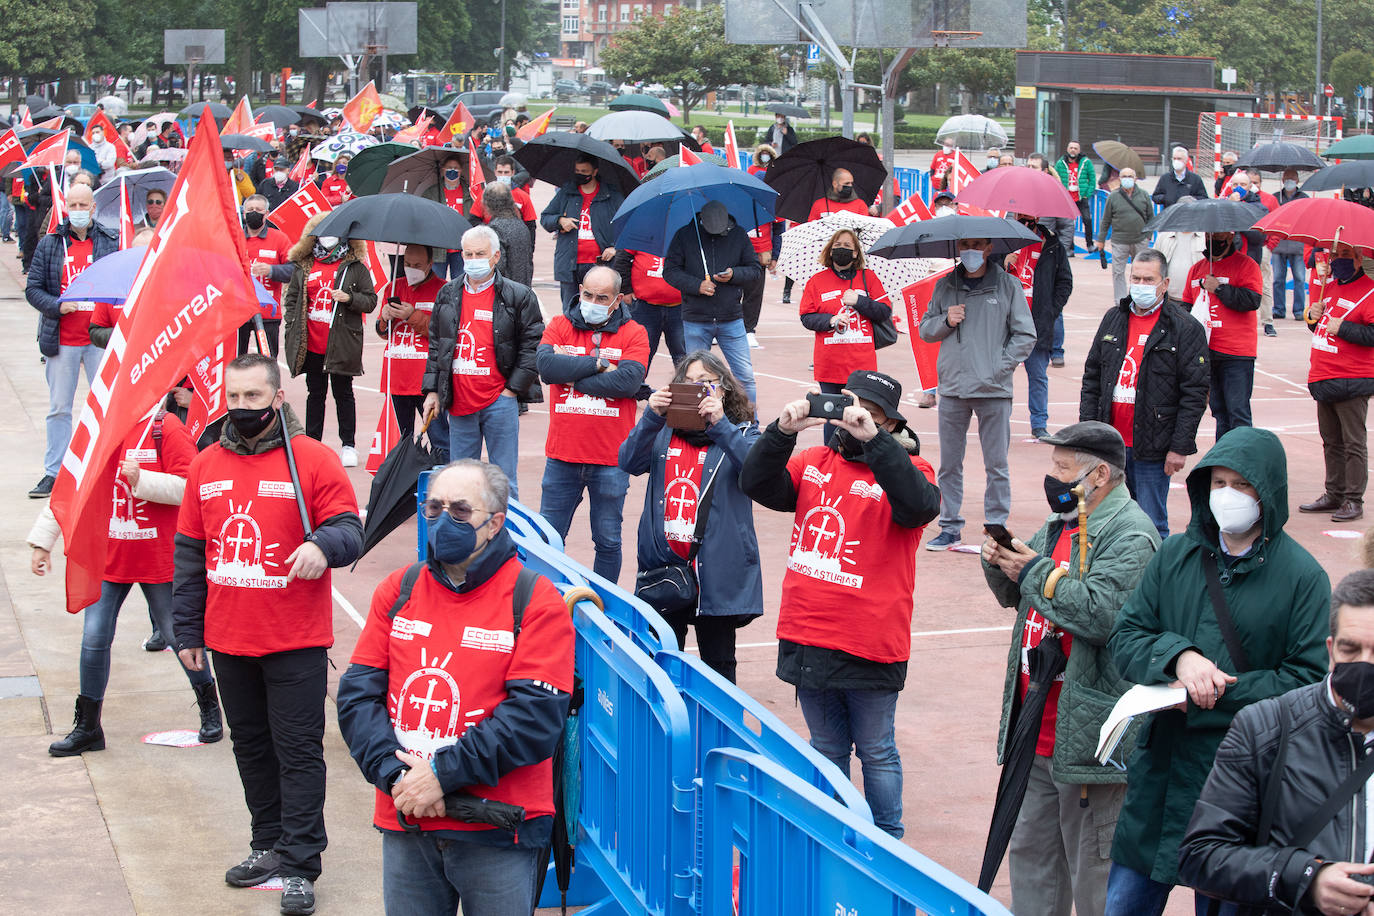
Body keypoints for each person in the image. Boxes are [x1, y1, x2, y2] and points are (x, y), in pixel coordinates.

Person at [1102, 427, 1332, 916]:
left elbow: (1307, 680)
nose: (1227, 495)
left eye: (1242, 485)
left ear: (1268, 492)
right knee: (1125, 903)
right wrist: (1179, 657)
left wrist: (1216, 691)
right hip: (1159, 775)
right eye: (1219, 482)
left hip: (1243, 782)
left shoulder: (1303, 577)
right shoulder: (1175, 554)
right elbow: (1127, 637)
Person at [336, 459, 574, 916]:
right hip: (408, 818)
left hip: (496, 830)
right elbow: (358, 696)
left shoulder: (535, 601)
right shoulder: (399, 589)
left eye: (460, 511)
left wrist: (441, 776)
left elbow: (533, 720)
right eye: (434, 509)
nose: (443, 521)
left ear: (495, 523)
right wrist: (397, 777)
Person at [173, 354, 363, 916]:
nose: (242, 408)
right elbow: (189, 553)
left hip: (295, 641)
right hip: (228, 638)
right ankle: (267, 845)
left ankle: (301, 866)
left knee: (299, 753)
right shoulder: (205, 464)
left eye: (254, 398)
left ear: (277, 399)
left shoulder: (312, 459)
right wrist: (187, 628)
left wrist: (321, 546)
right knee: (251, 747)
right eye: (234, 398)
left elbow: (350, 530)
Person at [739, 369, 942, 838]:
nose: (854, 423)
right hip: (808, 633)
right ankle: (831, 837)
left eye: (871, 417)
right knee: (826, 747)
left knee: (876, 749)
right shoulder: (813, 460)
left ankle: (888, 841)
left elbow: (917, 505)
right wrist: (780, 432)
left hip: (871, 638)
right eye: (851, 411)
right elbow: (757, 484)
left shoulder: (914, 471)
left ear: (893, 426)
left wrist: (876, 444)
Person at [981, 422, 1161, 916]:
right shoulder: (1066, 520)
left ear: (1099, 474)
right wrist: (1000, 561)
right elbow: (1020, 595)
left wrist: (1032, 570)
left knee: (1094, 878)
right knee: (1033, 866)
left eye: (1062, 468)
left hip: (1088, 743)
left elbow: (1101, 616)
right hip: (1036, 729)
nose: (1052, 478)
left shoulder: (1132, 534)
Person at [1178, 569, 1374, 916]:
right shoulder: (1265, 728)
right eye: (1350, 648)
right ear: (1330, 650)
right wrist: (1305, 879)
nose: (1365, 665)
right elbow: (1202, 855)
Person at [28, 408, 223, 756]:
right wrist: (43, 541)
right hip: (109, 558)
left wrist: (142, 480)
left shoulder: (165, 427)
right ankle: (88, 727)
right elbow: (69, 488)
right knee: (94, 637)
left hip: (159, 558)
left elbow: (192, 487)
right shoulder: (96, 430)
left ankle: (210, 706)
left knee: (179, 635)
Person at [619, 352, 762, 681]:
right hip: (666, 567)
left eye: (707, 384)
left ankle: (718, 733)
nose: (697, 390)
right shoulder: (663, 431)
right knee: (661, 663)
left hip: (717, 569)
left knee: (719, 666)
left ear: (723, 391)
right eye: (689, 383)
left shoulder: (743, 433)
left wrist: (721, 425)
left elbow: (756, 472)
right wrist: (651, 417)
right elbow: (628, 461)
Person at [1080, 250, 1210, 539]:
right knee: (1105, 523)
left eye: (1148, 279)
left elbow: (1195, 393)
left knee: (1150, 525)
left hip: (1153, 446)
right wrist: (1089, 435)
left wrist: (1180, 446)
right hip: (1110, 445)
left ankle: (1155, 582)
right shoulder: (1114, 318)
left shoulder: (1185, 328)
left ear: (1164, 283)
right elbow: (1092, 378)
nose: (1140, 284)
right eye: (1135, 277)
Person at [918, 236, 1037, 550]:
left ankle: (996, 526)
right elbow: (925, 329)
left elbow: (1026, 335)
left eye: (978, 244)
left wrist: (1000, 366)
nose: (970, 250)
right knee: (949, 464)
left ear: (988, 248)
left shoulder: (1008, 286)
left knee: (996, 463)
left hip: (993, 389)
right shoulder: (945, 286)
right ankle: (949, 526)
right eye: (965, 244)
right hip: (953, 388)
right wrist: (946, 319)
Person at [535, 265, 649, 583]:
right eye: (588, 294)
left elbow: (628, 382)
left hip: (611, 459)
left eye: (602, 297)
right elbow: (546, 367)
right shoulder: (559, 325)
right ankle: (545, 602)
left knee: (608, 541)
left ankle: (605, 606)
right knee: (548, 539)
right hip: (562, 456)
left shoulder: (635, 333)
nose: (593, 302)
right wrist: (600, 366)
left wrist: (572, 375)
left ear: (617, 301)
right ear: (579, 291)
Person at [422, 225, 544, 498]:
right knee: (461, 481)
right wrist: (432, 389)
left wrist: (511, 390)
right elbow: (436, 344)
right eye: (468, 254)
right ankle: (466, 536)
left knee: (504, 481)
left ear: (496, 256)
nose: (473, 260)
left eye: (480, 254)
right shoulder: (448, 293)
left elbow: (532, 345)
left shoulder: (518, 295)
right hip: (460, 402)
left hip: (499, 401)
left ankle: (505, 537)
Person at [25, 182, 118, 498]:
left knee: (104, 406)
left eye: (84, 205)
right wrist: (57, 305)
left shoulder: (109, 241)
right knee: (59, 408)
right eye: (73, 205)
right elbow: (33, 289)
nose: (78, 211)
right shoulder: (51, 245)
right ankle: (54, 472)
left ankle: (103, 468)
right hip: (62, 339)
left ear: (93, 208)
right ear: (66, 208)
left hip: (98, 339)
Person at [281, 214, 379, 467]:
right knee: (315, 393)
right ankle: (313, 442)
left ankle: (348, 444)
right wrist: (292, 322)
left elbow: (370, 301)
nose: (328, 236)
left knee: (343, 393)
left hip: (342, 342)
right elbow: (292, 298)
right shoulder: (305, 265)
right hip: (312, 342)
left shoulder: (355, 266)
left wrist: (349, 298)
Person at [1298, 242, 1374, 523]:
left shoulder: (1369, 291)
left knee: (1353, 442)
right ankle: (1334, 493)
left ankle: (1353, 499)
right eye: (1337, 255)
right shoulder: (1328, 287)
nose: (1339, 260)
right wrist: (1311, 317)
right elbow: (1318, 326)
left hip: (1353, 377)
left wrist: (1344, 328)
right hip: (1325, 376)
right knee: (1331, 441)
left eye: (1346, 255)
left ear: (1359, 259)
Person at [798, 228, 892, 444]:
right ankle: (831, 465)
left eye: (848, 246)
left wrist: (859, 301)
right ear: (830, 251)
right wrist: (830, 320)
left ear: (856, 253)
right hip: (830, 365)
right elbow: (806, 317)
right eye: (838, 245)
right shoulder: (817, 281)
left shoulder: (869, 279)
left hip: (862, 365)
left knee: (860, 420)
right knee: (832, 422)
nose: (842, 249)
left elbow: (884, 311)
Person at [663, 200, 762, 402]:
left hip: (731, 318)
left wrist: (734, 274)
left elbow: (754, 269)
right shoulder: (685, 235)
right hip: (696, 319)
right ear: (702, 221)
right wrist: (696, 285)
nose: (718, 233)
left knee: (744, 376)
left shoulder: (739, 234)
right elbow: (670, 271)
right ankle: (694, 424)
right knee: (693, 378)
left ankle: (750, 424)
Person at [1183, 230, 1263, 440]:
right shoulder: (1197, 269)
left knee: (1238, 413)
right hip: (1206, 351)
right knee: (1219, 412)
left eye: (1217, 237)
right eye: (1208, 237)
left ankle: (1241, 464)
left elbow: (1252, 300)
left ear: (1229, 237)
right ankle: (1223, 460)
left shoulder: (1246, 265)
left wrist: (1219, 289)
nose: (1212, 241)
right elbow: (1186, 307)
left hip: (1236, 353)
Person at [375, 243, 448, 444]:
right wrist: (384, 318)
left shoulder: (443, 290)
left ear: (430, 263)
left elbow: (443, 332)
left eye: (417, 264)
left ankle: (443, 474)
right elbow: (383, 333)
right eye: (407, 263)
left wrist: (412, 316)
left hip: (426, 379)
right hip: (396, 376)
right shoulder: (393, 287)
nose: (411, 269)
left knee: (440, 438)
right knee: (399, 440)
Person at [1008, 214, 1072, 438]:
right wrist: (1002, 262)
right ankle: (998, 420)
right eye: (1021, 219)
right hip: (1008, 323)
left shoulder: (1052, 244)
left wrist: (1051, 310)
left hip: (1038, 322)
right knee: (1000, 375)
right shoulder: (1003, 242)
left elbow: (1065, 281)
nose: (1025, 223)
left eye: (1029, 220)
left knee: (1038, 376)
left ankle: (1039, 424)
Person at [540, 154, 623, 313]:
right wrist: (560, 221)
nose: (580, 174)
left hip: (600, 264)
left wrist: (615, 248)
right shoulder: (567, 192)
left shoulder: (611, 195)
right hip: (570, 263)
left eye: (584, 171)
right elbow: (545, 218)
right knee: (570, 310)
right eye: (577, 170)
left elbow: (627, 224)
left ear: (595, 171)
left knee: (600, 309)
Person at [613, 242, 686, 372]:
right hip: (644, 308)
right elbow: (622, 260)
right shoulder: (641, 234)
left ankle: (687, 390)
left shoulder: (686, 233)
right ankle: (637, 390)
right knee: (640, 355)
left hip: (679, 307)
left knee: (683, 357)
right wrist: (626, 289)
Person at [1152, 146, 1210, 297]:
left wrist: (1190, 203)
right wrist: (1166, 198)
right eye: (1174, 159)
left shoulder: (1195, 179)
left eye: (1179, 159)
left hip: (1191, 225)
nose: (1176, 162)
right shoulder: (1165, 178)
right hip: (1170, 223)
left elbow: (1204, 197)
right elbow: (1155, 196)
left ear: (1186, 161)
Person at [240, 194, 293, 357]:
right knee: (236, 359)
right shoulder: (235, 238)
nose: (253, 213)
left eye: (258, 210)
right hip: (239, 312)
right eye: (250, 210)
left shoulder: (279, 238)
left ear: (267, 213)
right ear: (243, 213)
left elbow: (295, 270)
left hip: (268, 312)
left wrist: (271, 270)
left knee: (268, 361)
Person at [1094, 167, 1154, 302]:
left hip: (1140, 239)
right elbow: (1106, 220)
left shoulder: (1144, 195)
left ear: (1135, 179)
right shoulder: (1113, 196)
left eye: (1130, 176)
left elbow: (1151, 217)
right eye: (1124, 176)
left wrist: (1148, 235)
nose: (1127, 179)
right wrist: (1101, 240)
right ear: (1120, 179)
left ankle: (1137, 298)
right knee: (1118, 272)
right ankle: (1120, 300)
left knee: (1140, 272)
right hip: (1119, 240)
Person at [481, 181, 534, 288]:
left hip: (506, 291)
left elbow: (498, 265)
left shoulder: (495, 228)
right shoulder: (521, 225)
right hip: (523, 287)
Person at [1271, 169, 1309, 321]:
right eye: (1287, 178)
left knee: (1299, 279)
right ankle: (1279, 309)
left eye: (1292, 178)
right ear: (1282, 180)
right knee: (1277, 279)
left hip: (1298, 245)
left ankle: (1299, 310)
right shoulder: (1275, 198)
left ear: (1298, 181)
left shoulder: (1304, 198)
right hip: (1278, 245)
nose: (1289, 181)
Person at [1054, 141, 1096, 256]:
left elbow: (1092, 179)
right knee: (1068, 224)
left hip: (1081, 197)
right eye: (1071, 148)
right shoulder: (1061, 163)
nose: (1073, 150)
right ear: (1067, 149)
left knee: (1087, 220)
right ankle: (1070, 248)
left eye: (1075, 148)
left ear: (1079, 150)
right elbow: (1055, 177)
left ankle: (1090, 245)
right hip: (1067, 198)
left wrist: (1087, 193)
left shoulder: (1086, 162)